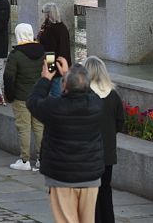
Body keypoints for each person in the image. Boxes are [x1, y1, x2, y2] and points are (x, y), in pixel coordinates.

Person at [28, 58, 104, 223]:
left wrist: (46, 79)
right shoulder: (95, 105)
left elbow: (33, 102)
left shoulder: (54, 107)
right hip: (90, 175)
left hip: (61, 177)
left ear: (64, 86)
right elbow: (89, 92)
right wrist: (71, 76)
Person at [83, 56, 124, 223]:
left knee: (91, 191)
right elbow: (120, 122)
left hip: (89, 153)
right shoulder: (113, 95)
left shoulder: (86, 95)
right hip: (107, 152)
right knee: (106, 188)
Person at [4, 23, 46, 171]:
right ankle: (42, 159)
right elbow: (51, 71)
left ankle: (25, 160)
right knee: (39, 127)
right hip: (40, 96)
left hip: (22, 97)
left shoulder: (15, 55)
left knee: (24, 128)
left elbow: (8, 78)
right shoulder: (44, 50)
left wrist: (9, 96)